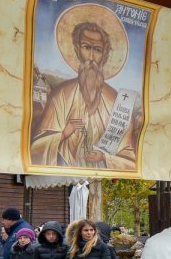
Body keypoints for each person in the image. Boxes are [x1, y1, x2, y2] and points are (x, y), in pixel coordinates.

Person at [29, 15, 138, 170]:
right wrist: (64, 133)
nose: (92, 57)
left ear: (105, 55)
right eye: (87, 47)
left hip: (101, 175)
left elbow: (129, 157)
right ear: (77, 50)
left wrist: (104, 157)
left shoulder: (117, 101)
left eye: (98, 50)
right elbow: (36, 150)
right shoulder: (60, 95)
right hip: (66, 173)